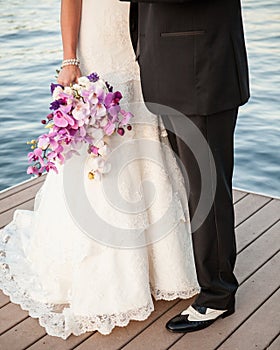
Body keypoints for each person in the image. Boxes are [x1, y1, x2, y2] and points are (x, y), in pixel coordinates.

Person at [0, 0, 199, 339]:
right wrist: (70, 58)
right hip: (97, 47)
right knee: (103, 147)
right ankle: (113, 278)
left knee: (145, 135)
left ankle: (161, 268)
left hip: (141, 43)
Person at [123, 0, 250, 332]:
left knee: (207, 190)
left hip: (201, 69)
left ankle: (218, 295)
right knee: (197, 187)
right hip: (176, 67)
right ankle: (211, 278)